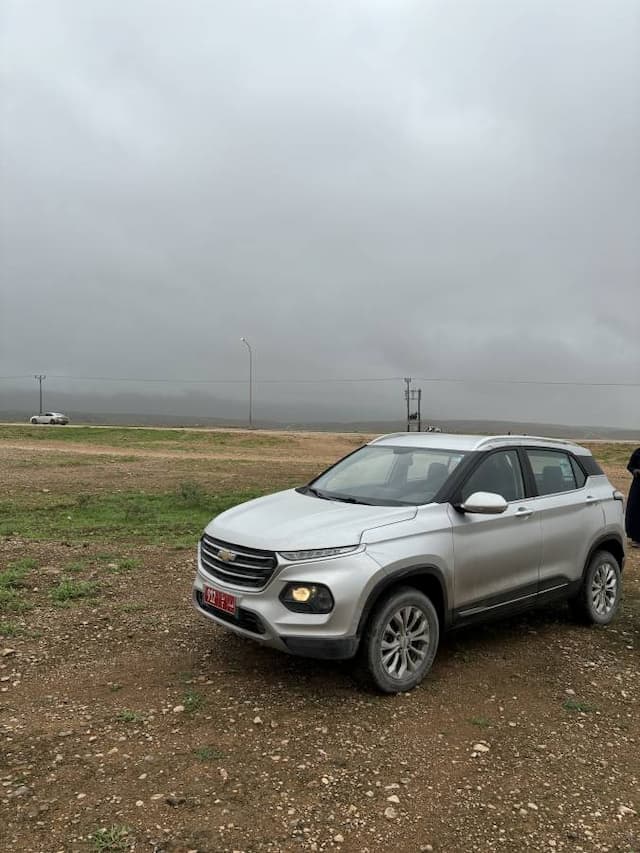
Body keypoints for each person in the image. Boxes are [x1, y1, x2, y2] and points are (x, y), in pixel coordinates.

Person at [626, 447, 640, 547]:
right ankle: (636, 539)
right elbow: (630, 466)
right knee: (635, 509)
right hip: (638, 485)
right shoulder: (637, 452)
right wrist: (634, 470)